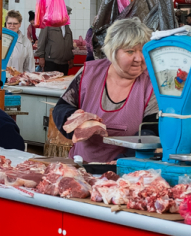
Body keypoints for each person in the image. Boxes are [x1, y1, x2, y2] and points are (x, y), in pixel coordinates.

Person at [51, 18, 156, 164]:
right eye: (130, 51)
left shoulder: (152, 84)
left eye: (143, 50)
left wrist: (123, 161)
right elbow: (61, 108)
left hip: (127, 171)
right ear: (113, 52)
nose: (139, 58)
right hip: (81, 166)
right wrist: (75, 119)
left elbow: (152, 131)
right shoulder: (89, 73)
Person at [4, 10, 34, 75]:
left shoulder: (26, 42)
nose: (12, 26)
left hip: (17, 80)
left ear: (20, 24)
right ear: (6, 23)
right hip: (0, 79)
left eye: (15, 23)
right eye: (9, 23)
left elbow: (30, 67)